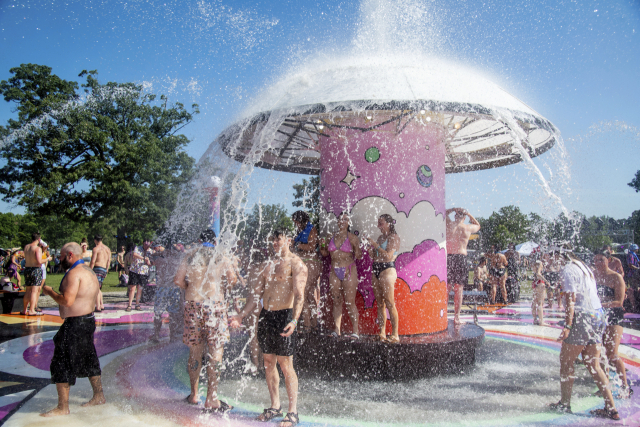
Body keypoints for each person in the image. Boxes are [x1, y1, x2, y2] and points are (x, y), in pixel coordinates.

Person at [230, 229, 307, 427]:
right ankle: (275, 406)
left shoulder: (296, 264)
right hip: (267, 316)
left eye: (278, 239)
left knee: (285, 364)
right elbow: (255, 295)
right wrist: (241, 314)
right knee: (268, 361)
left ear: (288, 240)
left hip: (284, 316)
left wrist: (295, 320)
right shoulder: (268, 265)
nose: (275, 242)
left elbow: (300, 295)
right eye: (273, 239)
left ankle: (293, 411)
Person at [549, 247, 618, 421]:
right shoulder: (583, 266)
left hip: (582, 316)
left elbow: (570, 300)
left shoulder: (568, 269)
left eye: (551, 258)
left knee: (566, 361)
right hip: (597, 314)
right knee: (593, 364)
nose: (550, 262)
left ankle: (565, 403)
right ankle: (611, 408)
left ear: (559, 256)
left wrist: (567, 325)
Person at [175, 229, 238, 413]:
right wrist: (219, 287)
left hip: (194, 303)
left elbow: (178, 280)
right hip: (215, 304)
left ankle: (194, 394)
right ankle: (212, 397)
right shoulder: (221, 256)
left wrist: (191, 287)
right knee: (216, 349)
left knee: (195, 350)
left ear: (199, 239)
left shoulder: (190, 255)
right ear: (215, 240)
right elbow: (232, 279)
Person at [40, 242, 105, 417]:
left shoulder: (74, 274)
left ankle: (62, 407)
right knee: (89, 357)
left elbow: (67, 301)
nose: (58, 260)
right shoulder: (90, 272)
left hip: (76, 323)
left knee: (61, 361)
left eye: (61, 257)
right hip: (88, 320)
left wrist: (50, 292)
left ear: (70, 255)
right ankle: (99, 396)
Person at [594, 250, 632, 398]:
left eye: (601, 260)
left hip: (614, 317)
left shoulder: (616, 277)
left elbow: (619, 302)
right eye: (596, 260)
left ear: (608, 260)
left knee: (612, 353)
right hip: (599, 316)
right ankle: (605, 384)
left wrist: (600, 304)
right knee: (601, 352)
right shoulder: (594, 276)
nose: (598, 263)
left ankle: (625, 386)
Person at [319, 213, 362, 338]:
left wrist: (358, 247)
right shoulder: (330, 236)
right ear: (337, 222)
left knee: (350, 302)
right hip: (334, 270)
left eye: (345, 219)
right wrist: (322, 244)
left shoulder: (353, 238)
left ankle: (355, 331)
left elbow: (358, 256)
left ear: (349, 222)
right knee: (336, 301)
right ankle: (336, 330)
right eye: (340, 219)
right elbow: (325, 253)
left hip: (349, 269)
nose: (342, 221)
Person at [366, 214, 401, 343]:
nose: (378, 226)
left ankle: (395, 334)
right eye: (378, 223)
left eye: (381, 223)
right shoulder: (381, 237)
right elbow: (375, 255)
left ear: (389, 224)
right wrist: (370, 250)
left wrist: (375, 245)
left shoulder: (394, 238)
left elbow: (387, 256)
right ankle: (382, 333)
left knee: (390, 303)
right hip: (376, 269)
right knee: (380, 303)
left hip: (387, 269)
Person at [446, 208, 481, 324]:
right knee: (458, 289)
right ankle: (457, 317)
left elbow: (443, 213)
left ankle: (443, 314)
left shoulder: (449, 224)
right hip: (461, 258)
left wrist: (453, 209)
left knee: (447, 288)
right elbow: (478, 225)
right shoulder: (467, 227)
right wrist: (469, 213)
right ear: (464, 218)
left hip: (450, 257)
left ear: (455, 216)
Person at [291, 211, 321, 331]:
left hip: (311, 263)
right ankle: (313, 323)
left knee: (303, 293)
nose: (296, 224)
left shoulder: (311, 229)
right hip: (306, 263)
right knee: (308, 294)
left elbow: (312, 246)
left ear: (301, 220)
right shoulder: (300, 231)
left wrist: (297, 245)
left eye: (296, 222)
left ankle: (307, 326)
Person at [149, 243, 185, 343]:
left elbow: (149, 258)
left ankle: (156, 335)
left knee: (158, 313)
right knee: (173, 314)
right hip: (173, 289)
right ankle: (172, 336)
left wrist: (157, 253)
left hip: (162, 289)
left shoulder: (160, 260)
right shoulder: (178, 262)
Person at [126, 239, 154, 312]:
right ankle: (129, 305)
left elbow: (151, 264)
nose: (146, 246)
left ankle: (137, 304)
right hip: (134, 270)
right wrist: (143, 258)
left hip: (143, 272)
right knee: (132, 288)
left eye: (147, 245)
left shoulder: (151, 252)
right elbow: (134, 255)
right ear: (143, 243)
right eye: (145, 244)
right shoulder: (138, 248)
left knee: (140, 289)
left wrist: (148, 262)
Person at [22, 232, 46, 316]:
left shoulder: (26, 247)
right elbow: (39, 261)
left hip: (27, 269)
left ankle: (24, 309)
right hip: (35, 269)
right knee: (34, 291)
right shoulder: (37, 248)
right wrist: (47, 259)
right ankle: (32, 310)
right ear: (39, 239)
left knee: (28, 290)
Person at [89, 235, 111, 313]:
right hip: (104, 269)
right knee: (99, 287)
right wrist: (107, 270)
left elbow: (93, 261)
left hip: (97, 268)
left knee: (96, 289)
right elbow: (109, 261)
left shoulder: (96, 249)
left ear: (95, 240)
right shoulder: (107, 249)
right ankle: (101, 304)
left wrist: (90, 270)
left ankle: (98, 306)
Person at [531, 259, 548, 326]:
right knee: (540, 303)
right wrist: (546, 281)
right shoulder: (539, 266)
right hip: (540, 283)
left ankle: (535, 319)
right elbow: (538, 273)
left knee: (534, 302)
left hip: (535, 283)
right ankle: (541, 322)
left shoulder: (534, 267)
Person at [626, 244, 640, 311]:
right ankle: (633, 305)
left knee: (636, 288)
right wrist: (637, 268)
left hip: (635, 273)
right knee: (633, 288)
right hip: (632, 274)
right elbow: (630, 265)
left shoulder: (633, 254)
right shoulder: (631, 255)